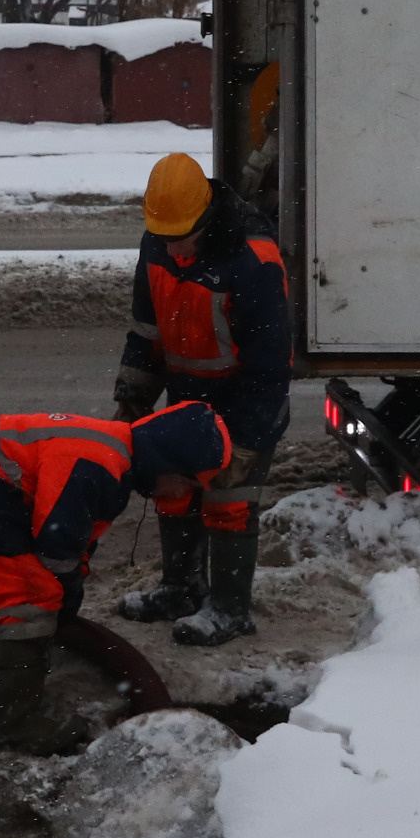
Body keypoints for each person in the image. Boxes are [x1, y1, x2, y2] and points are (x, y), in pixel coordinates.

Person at [0, 400, 230, 752]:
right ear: (168, 463)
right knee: (32, 605)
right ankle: (18, 725)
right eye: (188, 482)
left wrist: (67, 593)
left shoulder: (113, 453)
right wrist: (60, 603)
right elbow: (57, 542)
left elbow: (76, 541)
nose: (182, 494)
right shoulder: (101, 465)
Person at [111, 152, 294, 646]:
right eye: (163, 237)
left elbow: (271, 367)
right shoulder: (158, 242)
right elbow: (146, 332)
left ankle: (231, 609)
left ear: (205, 218)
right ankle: (181, 590)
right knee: (175, 494)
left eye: (180, 238)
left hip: (243, 401)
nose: (172, 250)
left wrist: (248, 442)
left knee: (228, 501)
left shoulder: (253, 261)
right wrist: (133, 396)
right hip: (186, 397)